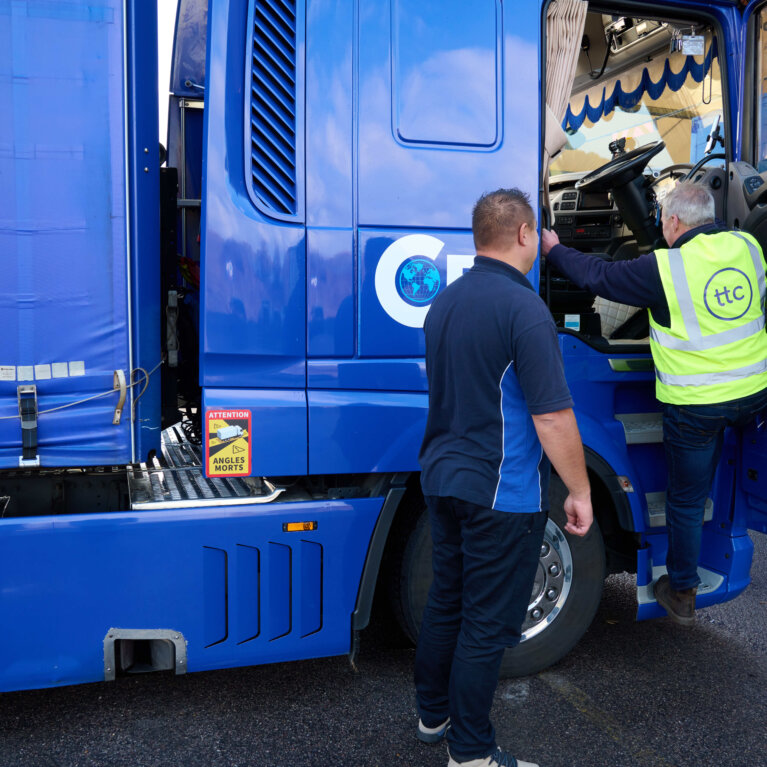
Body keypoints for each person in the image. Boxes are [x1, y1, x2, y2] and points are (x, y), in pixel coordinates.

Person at [416, 188, 593, 767]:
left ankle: (432, 716)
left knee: (446, 603)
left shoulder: (445, 302)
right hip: (499, 492)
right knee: (486, 627)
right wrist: (580, 490)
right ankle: (470, 754)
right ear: (524, 235)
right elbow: (551, 415)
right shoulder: (524, 309)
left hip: (442, 479)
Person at [541, 180, 767, 627]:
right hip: (753, 396)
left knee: (685, 499)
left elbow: (597, 277)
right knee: (723, 465)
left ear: (673, 223)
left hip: (699, 405)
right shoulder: (748, 246)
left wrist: (553, 249)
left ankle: (681, 589)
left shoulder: (665, 267)